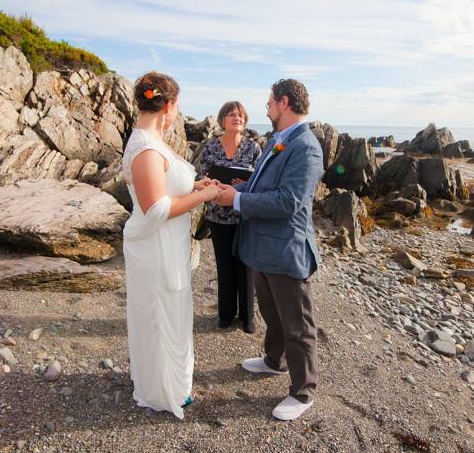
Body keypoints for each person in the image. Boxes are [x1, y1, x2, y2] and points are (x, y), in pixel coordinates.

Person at [214, 79, 324, 421]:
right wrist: (233, 188)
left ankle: (303, 390)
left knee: (297, 323)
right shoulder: (279, 140)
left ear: (284, 103)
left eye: (269, 104)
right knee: (272, 313)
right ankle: (273, 361)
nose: (267, 109)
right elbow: (264, 185)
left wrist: (238, 200)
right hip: (262, 247)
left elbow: (289, 202)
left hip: (286, 249)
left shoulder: (305, 147)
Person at [122, 71, 219, 419]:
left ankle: (175, 384)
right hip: (154, 249)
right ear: (170, 106)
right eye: (178, 106)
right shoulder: (146, 147)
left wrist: (193, 187)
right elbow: (155, 210)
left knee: (172, 313)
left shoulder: (152, 140)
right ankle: (161, 390)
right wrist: (204, 196)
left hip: (167, 248)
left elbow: (165, 189)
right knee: (159, 314)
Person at [195, 101, 262, 333]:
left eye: (241, 115)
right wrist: (213, 182)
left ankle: (247, 318)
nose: (237, 118)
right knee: (224, 266)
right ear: (223, 119)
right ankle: (225, 315)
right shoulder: (210, 147)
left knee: (246, 266)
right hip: (217, 215)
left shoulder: (253, 148)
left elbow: (260, 181)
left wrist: (243, 185)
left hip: (244, 215)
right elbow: (201, 175)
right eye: (232, 114)